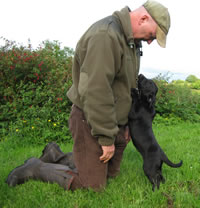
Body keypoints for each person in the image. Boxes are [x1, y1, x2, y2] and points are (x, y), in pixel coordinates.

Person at [6, 0, 170, 191]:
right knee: (92, 185)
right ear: (143, 18)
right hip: (90, 118)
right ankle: (35, 168)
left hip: (113, 119)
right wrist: (105, 138)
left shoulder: (131, 42)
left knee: (111, 173)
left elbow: (126, 86)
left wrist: (125, 126)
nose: (150, 41)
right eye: (152, 35)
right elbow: (96, 91)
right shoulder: (106, 36)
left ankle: (55, 154)